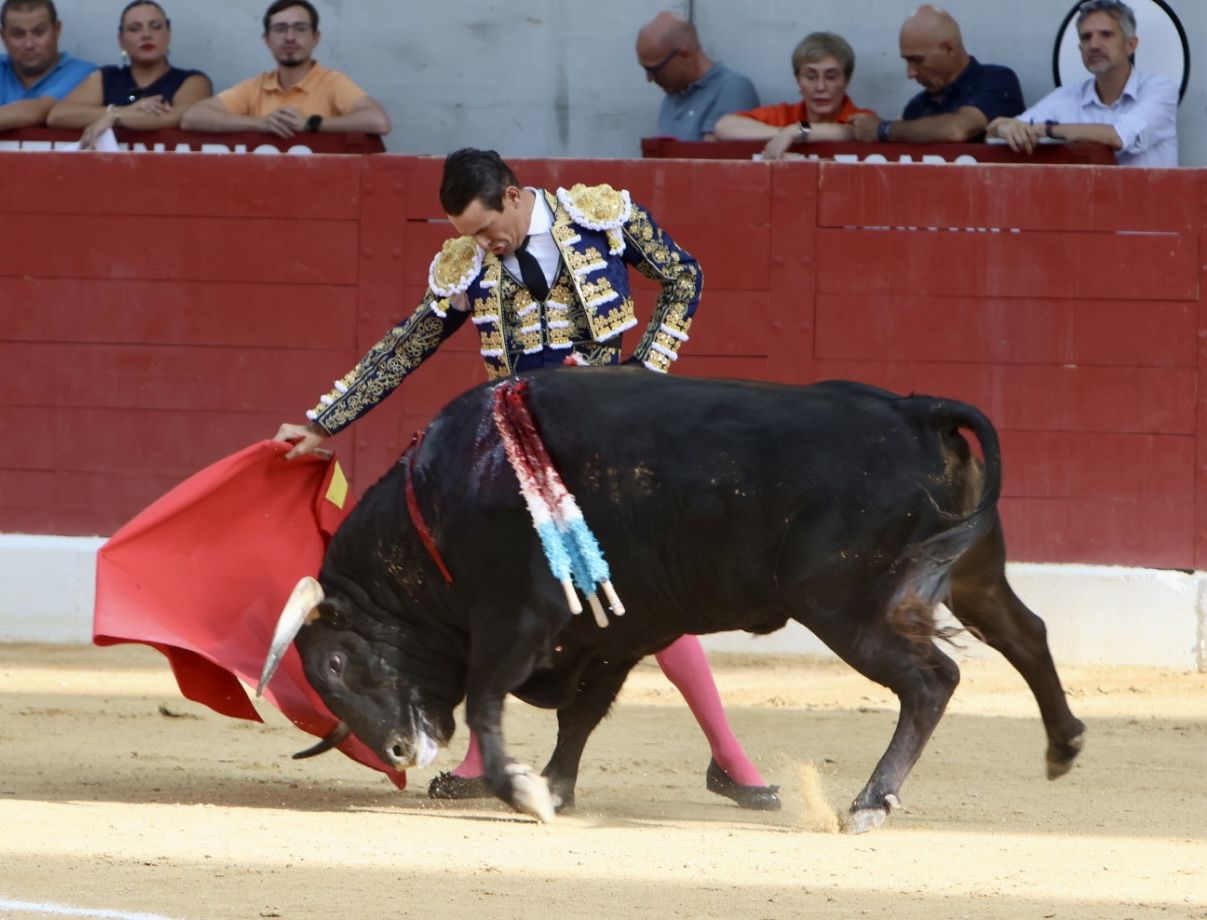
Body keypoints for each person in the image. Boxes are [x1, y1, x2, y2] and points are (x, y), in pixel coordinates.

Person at [273, 147, 781, 811]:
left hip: (608, 439)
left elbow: (683, 277)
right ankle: (484, 754)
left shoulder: (600, 219)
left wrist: (644, 377)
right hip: (517, 443)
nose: (483, 244)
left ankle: (727, 756)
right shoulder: (466, 263)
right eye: (469, 235)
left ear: (514, 196)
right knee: (497, 589)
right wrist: (324, 420)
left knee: (644, 590)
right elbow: (408, 343)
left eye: (487, 229)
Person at [986, 0, 1177, 167]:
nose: (1094, 45)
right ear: (1080, 48)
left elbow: (1119, 137)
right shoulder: (1066, 97)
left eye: (1106, 34)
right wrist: (1002, 128)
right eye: (1086, 37)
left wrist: (1050, 130)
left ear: (1131, 44)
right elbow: (998, 133)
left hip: (1150, 206)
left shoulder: (1159, 90)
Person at [180, 0, 389, 139]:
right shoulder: (255, 86)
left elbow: (378, 121)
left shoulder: (331, 82)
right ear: (267, 40)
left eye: (300, 28)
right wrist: (261, 124)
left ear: (316, 38)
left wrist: (311, 123)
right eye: (280, 29)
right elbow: (193, 117)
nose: (290, 37)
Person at [46, 1, 211, 150]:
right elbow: (58, 115)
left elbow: (181, 116)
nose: (146, 35)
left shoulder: (192, 81)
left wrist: (116, 118)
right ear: (121, 39)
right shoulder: (106, 77)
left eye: (155, 26)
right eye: (135, 28)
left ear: (168, 33)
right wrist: (119, 111)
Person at [851, 4, 1023, 144]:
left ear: (948, 49)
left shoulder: (998, 80)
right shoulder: (916, 106)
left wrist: (883, 129)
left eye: (917, 60)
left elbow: (959, 129)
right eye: (906, 60)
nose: (910, 73)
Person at [714, 32, 877, 160]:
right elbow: (723, 126)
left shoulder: (864, 118)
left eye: (831, 77)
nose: (820, 87)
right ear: (798, 80)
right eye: (811, 77)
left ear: (846, 80)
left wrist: (796, 130)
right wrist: (783, 133)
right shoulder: (785, 114)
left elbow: (845, 132)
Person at [635, 11, 759, 142]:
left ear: (684, 55)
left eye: (654, 70)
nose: (649, 78)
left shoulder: (731, 89)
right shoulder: (673, 96)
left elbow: (719, 156)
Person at [0, 0, 94, 130]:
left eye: (38, 32)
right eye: (18, 34)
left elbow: (41, 110)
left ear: (56, 30)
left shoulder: (84, 73)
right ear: (3, 36)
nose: (29, 44)